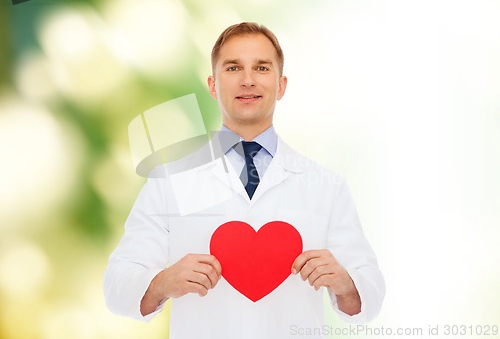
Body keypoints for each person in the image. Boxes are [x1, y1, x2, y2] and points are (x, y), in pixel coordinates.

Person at [104, 22, 385, 338]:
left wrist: (347, 284)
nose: (248, 80)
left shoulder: (326, 186)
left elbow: (371, 292)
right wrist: (163, 282)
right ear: (212, 84)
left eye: (262, 68)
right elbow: (116, 284)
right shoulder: (170, 181)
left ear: (281, 85)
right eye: (233, 67)